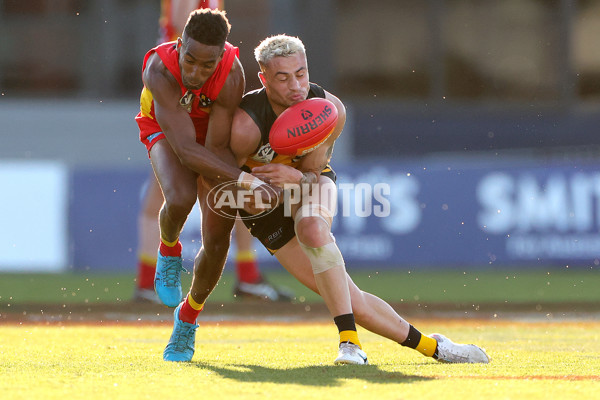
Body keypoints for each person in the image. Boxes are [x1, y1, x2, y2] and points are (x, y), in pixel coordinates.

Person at [162, 34, 490, 365]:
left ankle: (348, 343)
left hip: (309, 184)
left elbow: (313, 174)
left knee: (314, 230)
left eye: (301, 73)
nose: (296, 86)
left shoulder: (330, 110)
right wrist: (261, 193)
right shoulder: (245, 126)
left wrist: (296, 179)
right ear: (264, 79)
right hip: (262, 205)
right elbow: (228, 186)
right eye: (283, 77)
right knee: (351, 300)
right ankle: (436, 348)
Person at [132, 0, 292, 304]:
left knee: (219, 226)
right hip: (164, 125)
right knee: (179, 198)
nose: (195, 73)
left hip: (205, 124)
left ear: (220, 57)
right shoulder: (159, 68)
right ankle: (169, 250)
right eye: (190, 60)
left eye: (207, 64)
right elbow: (185, 149)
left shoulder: (232, 72)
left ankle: (189, 318)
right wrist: (246, 181)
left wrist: (238, 180)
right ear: (179, 47)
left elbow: (215, 146)